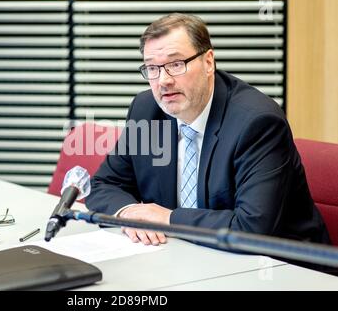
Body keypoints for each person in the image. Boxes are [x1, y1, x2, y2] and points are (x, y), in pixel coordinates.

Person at [85, 13, 330, 248]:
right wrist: (129, 214)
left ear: (208, 62)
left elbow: (252, 228)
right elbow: (105, 184)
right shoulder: (146, 110)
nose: (163, 81)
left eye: (176, 64)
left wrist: (167, 219)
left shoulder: (257, 123)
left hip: (282, 268)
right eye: (152, 68)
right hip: (186, 257)